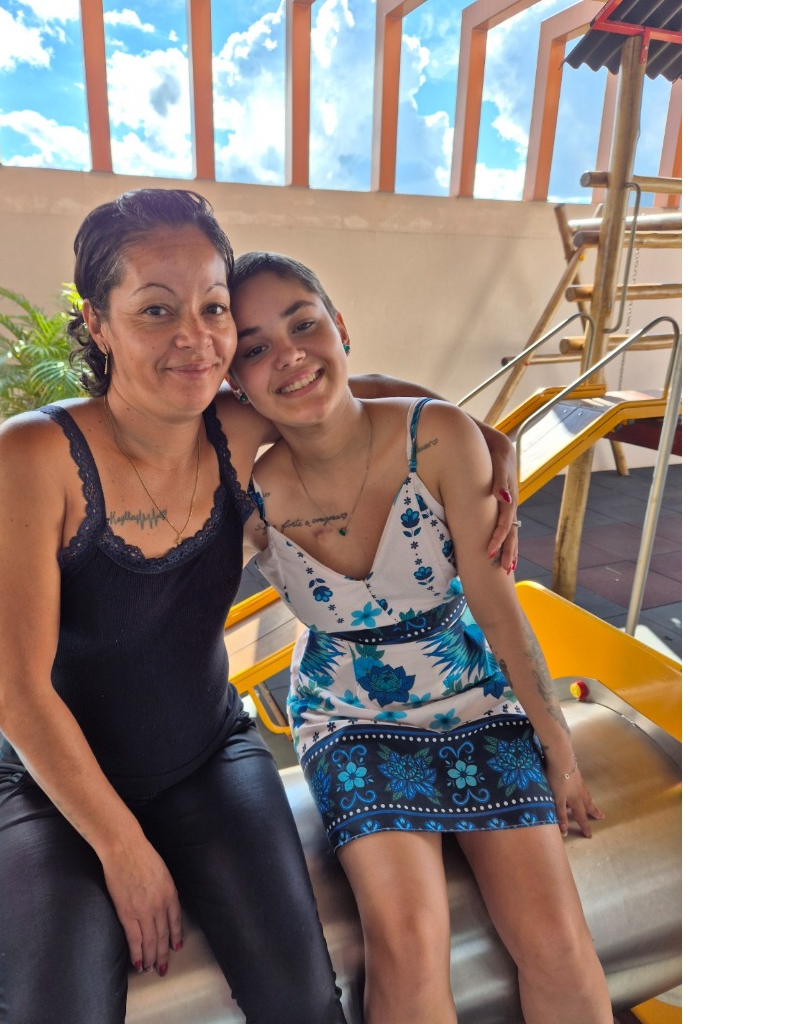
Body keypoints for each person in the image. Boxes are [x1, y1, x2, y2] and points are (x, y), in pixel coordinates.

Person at [0, 188, 522, 1024]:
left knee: (303, 1003)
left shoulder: (231, 430)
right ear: (98, 324)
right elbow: (14, 691)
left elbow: (349, 391)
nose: (195, 337)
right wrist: (123, 849)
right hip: (57, 792)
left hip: (208, 761)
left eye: (214, 307)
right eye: (157, 310)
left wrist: (487, 437)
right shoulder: (34, 457)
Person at [226, 251, 614, 1024]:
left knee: (557, 942)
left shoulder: (436, 439)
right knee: (407, 943)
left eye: (303, 325)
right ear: (236, 381)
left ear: (340, 327)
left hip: (474, 696)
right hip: (348, 717)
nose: (289, 355)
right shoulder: (250, 489)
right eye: (255, 347)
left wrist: (558, 746)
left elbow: (497, 608)